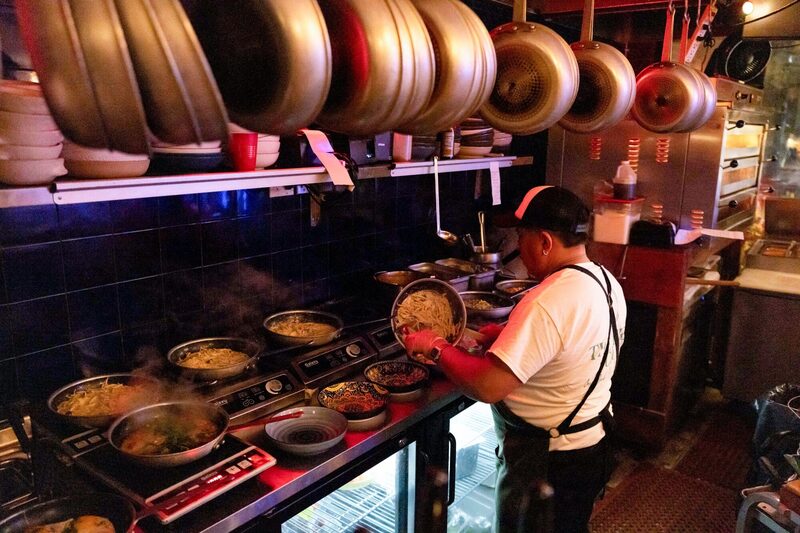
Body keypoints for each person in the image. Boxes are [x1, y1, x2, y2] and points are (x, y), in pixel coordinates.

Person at [404, 185, 626, 533]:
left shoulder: (547, 301)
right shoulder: (605, 281)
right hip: (592, 446)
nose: (519, 247)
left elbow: (487, 386)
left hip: (548, 462)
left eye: (522, 237)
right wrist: (508, 338)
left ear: (545, 241)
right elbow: (573, 351)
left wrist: (435, 346)